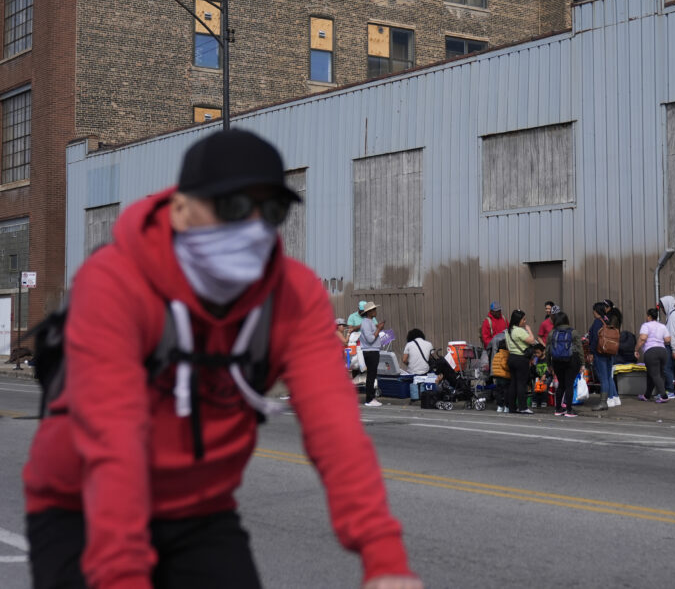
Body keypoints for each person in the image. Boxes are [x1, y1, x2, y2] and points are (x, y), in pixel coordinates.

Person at [21, 128, 420, 589]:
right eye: (232, 206)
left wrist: (384, 559)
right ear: (180, 209)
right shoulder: (115, 282)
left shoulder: (293, 296)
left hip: (200, 510)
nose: (252, 226)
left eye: (271, 211)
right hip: (81, 505)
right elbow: (113, 443)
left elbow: (335, 429)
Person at [544, 311, 584, 417]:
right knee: (569, 384)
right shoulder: (573, 332)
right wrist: (582, 363)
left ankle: (558, 409)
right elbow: (580, 349)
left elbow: (547, 350)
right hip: (572, 360)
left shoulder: (552, 333)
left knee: (561, 384)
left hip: (556, 361)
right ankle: (569, 410)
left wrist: (549, 364)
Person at [587, 302, 620, 411]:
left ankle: (603, 402)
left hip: (600, 353)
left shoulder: (597, 322)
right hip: (609, 352)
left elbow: (595, 339)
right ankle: (612, 398)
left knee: (603, 378)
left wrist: (591, 352)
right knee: (608, 377)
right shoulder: (607, 319)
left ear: (596, 311)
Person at [635, 307, 672, 403]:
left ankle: (664, 396)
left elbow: (643, 338)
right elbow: (668, 339)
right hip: (663, 351)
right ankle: (647, 395)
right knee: (653, 374)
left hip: (651, 352)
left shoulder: (646, 325)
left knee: (655, 374)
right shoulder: (662, 326)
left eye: (647, 316)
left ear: (649, 316)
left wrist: (636, 349)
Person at [505, 309, 537, 414]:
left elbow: (508, 347)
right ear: (518, 320)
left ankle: (512, 407)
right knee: (521, 384)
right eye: (523, 319)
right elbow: (532, 341)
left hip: (511, 358)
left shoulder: (508, 331)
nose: (525, 321)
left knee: (513, 383)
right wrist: (529, 330)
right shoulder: (519, 330)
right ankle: (523, 407)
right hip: (521, 359)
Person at [360, 302, 387, 407]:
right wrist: (379, 329)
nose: (376, 311)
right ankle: (369, 398)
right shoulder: (366, 323)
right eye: (373, 309)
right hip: (370, 351)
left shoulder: (369, 322)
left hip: (372, 350)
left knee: (372, 375)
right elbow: (370, 339)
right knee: (371, 375)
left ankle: (371, 398)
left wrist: (378, 328)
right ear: (369, 312)